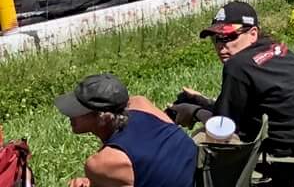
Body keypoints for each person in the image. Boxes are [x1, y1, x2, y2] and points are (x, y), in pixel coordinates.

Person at [171, 2, 294, 186]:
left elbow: (222, 129)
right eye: (216, 39)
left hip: (290, 160)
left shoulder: (238, 66)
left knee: (202, 139)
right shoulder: (276, 51)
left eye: (229, 37)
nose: (221, 46)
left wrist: (194, 112)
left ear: (253, 33)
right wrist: (203, 101)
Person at [55, 76, 196, 187]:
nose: (70, 115)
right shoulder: (142, 104)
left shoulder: (101, 164)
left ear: (103, 116)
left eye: (79, 110)